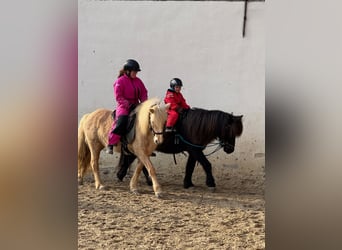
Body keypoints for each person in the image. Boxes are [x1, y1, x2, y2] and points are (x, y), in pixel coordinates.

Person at [106, 59, 148, 154]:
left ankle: (145, 146)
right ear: (127, 71)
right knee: (122, 121)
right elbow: (119, 97)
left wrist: (144, 103)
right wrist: (128, 104)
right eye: (134, 72)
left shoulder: (138, 81)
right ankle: (111, 143)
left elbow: (143, 92)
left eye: (136, 72)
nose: (136, 74)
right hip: (124, 106)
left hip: (136, 105)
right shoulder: (120, 81)